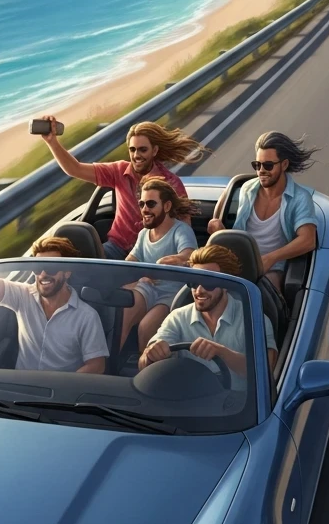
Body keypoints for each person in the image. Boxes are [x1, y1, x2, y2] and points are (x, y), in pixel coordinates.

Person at [37, 115, 208, 259]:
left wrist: (179, 256)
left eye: (142, 150)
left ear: (154, 151)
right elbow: (75, 169)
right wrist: (52, 142)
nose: (136, 155)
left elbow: (185, 229)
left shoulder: (172, 184)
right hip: (116, 249)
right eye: (132, 149)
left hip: (153, 253)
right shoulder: (118, 171)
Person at [0, 234, 108, 374]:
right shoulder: (23, 295)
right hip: (20, 389)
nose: (43, 274)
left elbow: (96, 366)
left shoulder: (87, 317)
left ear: (67, 272)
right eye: (38, 267)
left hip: (60, 392)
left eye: (51, 267)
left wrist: (62, 387)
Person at [139, 244, 277, 387]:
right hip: (189, 403)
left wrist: (222, 352)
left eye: (208, 282)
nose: (199, 290)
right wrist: (150, 356)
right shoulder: (177, 318)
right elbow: (144, 365)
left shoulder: (254, 320)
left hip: (240, 406)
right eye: (194, 282)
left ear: (227, 283)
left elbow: (266, 370)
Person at [208, 131, 318, 289]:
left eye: (268, 165)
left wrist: (270, 259)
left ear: (284, 165)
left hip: (272, 270)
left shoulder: (300, 198)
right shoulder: (246, 189)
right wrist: (219, 230)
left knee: (262, 292)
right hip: (236, 264)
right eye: (257, 165)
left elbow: (308, 240)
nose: (261, 170)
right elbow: (227, 213)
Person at [120, 176, 198, 351]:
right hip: (147, 289)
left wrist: (164, 263)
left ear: (167, 206)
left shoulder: (181, 230)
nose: (145, 209)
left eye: (151, 204)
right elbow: (130, 263)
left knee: (146, 328)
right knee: (122, 316)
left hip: (172, 294)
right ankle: (109, 368)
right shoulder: (142, 235)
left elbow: (189, 254)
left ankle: (144, 371)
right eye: (142, 204)